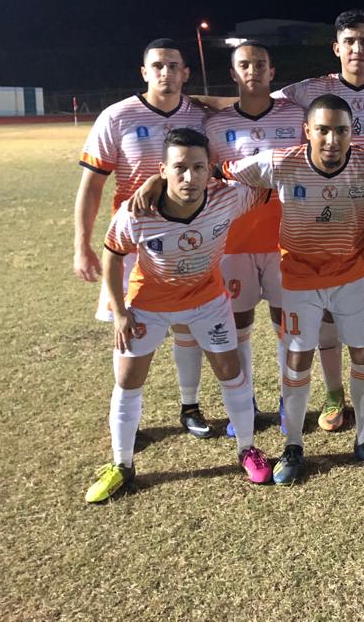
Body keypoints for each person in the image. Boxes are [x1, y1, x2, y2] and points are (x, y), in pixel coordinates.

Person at [220, 94, 364, 484]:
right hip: (299, 281)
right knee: (298, 359)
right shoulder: (280, 162)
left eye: (341, 131)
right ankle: (293, 445)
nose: (332, 140)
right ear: (307, 131)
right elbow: (223, 170)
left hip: (353, 277)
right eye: (323, 130)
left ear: (351, 133)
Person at [84, 129, 273, 503]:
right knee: (128, 378)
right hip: (148, 304)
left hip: (207, 301)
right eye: (179, 168)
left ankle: (247, 449)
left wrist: (221, 171)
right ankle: (121, 464)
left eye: (198, 168)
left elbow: (267, 178)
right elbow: (112, 254)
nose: (189, 177)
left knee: (230, 371)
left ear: (210, 170)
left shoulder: (229, 197)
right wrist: (119, 312)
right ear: (162, 170)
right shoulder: (137, 212)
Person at [272, 10, 364, 431]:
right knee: (329, 308)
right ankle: (334, 395)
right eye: (349, 41)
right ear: (336, 47)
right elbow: (257, 98)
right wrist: (204, 103)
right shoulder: (310, 90)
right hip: (327, 214)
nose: (357, 48)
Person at [73, 38, 214, 439]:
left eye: (174, 66)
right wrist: (82, 245)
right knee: (128, 329)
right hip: (133, 244)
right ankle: (128, 421)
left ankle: (190, 406)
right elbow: (91, 186)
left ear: (186, 73)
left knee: (188, 327)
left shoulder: (201, 117)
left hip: (187, 238)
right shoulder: (117, 116)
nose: (165, 73)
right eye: (158, 66)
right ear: (144, 72)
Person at [202, 41, 305, 435]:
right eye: (244, 65)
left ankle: (287, 401)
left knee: (287, 324)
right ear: (233, 73)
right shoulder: (215, 125)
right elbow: (209, 176)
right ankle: (244, 403)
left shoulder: (295, 116)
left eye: (260, 64)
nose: (253, 71)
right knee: (237, 324)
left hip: (286, 238)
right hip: (234, 241)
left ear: (272, 71)